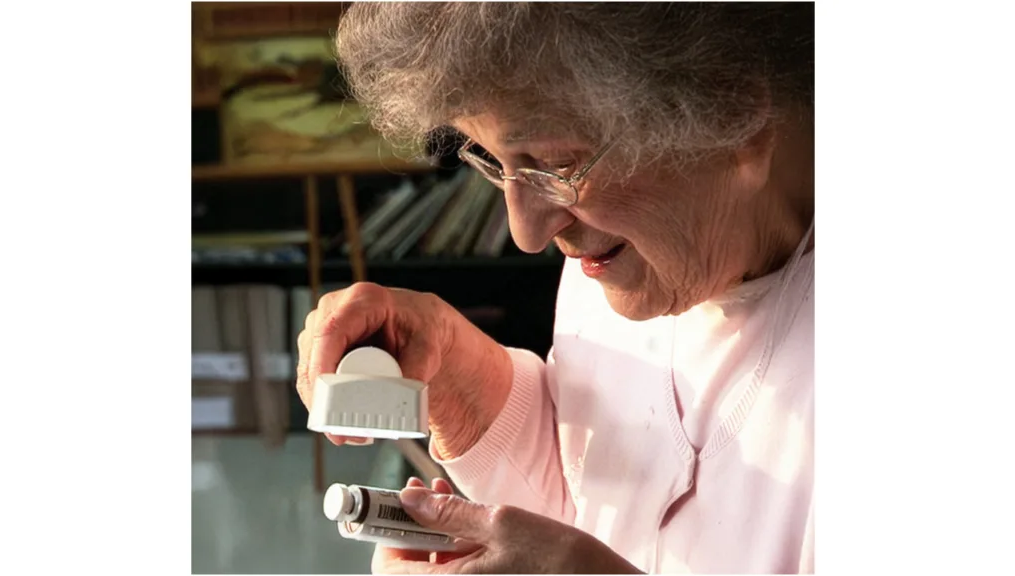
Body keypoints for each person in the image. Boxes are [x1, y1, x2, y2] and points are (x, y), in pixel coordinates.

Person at [296, 2, 814, 573]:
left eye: (554, 165)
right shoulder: (621, 259)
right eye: (493, 163)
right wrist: (463, 381)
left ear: (732, 113)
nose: (526, 232)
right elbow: (599, 491)